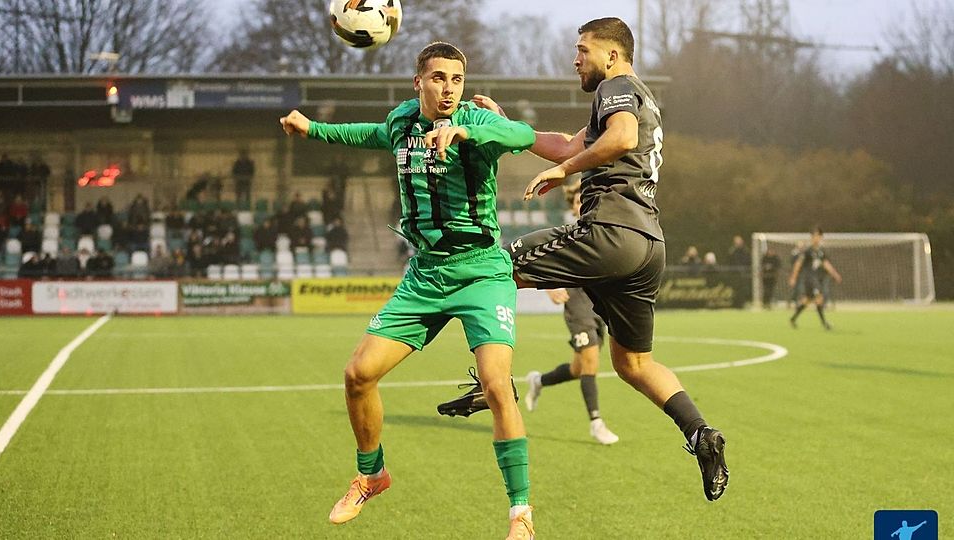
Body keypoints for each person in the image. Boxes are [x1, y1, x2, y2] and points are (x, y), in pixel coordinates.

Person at [443, 18, 729, 502]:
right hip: (646, 246)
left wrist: (564, 170)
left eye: (582, 50)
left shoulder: (616, 87)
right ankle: (702, 435)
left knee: (490, 265)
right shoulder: (637, 96)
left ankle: (495, 384)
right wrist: (505, 125)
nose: (575, 59)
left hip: (610, 232)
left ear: (612, 56)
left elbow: (615, 139)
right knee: (634, 364)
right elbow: (565, 142)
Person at [279, 41, 538, 539]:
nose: (449, 89)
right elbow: (368, 134)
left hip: (482, 271)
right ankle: (372, 474)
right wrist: (312, 128)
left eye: (457, 80)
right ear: (418, 82)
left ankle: (520, 514)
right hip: (425, 275)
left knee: (495, 383)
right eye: (438, 78)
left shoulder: (477, 122)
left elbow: (523, 133)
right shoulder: (402, 122)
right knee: (358, 374)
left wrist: (469, 127)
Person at [524, 183, 620, 445]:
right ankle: (596, 422)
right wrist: (549, 287)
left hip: (599, 304)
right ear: (572, 206)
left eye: (586, 200)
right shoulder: (566, 235)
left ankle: (539, 381)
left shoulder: (602, 231)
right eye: (578, 201)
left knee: (580, 368)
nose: (582, 204)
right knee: (590, 361)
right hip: (576, 304)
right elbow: (539, 261)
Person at [788, 227, 842, 330]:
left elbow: (826, 264)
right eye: (814, 236)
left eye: (818, 236)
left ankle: (793, 319)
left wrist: (835, 274)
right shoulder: (808, 251)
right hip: (809, 278)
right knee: (819, 298)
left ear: (821, 237)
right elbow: (798, 264)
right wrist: (793, 277)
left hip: (815, 278)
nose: (816, 238)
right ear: (811, 238)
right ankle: (824, 323)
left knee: (807, 300)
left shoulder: (821, 251)